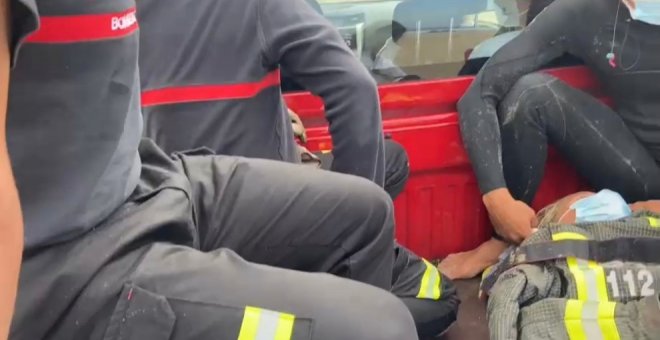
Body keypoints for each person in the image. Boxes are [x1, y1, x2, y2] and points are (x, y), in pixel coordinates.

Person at [4, 1, 450, 340]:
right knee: (385, 323)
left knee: (368, 208)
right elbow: (354, 88)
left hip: (145, 179)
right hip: (68, 252)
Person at [136, 0, 458, 337]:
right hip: (263, 216)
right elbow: (355, 88)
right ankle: (328, 316)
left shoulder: (115, 16)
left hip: (171, 215)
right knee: (438, 295)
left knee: (392, 160)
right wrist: (353, 225)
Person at [439, 0, 660, 279]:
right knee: (531, 94)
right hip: (642, 171)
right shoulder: (585, 11)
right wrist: (497, 200)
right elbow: (478, 94)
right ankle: (505, 243)